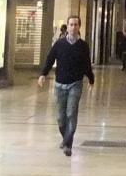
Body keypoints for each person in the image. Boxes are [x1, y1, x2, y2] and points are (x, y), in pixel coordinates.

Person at [37, 15, 94, 156]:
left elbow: (87, 64)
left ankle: (68, 144)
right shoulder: (59, 44)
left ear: (79, 27)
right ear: (67, 27)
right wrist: (43, 74)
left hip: (75, 84)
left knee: (71, 113)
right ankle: (65, 138)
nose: (73, 27)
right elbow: (50, 59)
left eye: (76, 24)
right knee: (60, 118)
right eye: (71, 24)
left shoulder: (83, 46)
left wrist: (91, 79)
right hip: (59, 85)